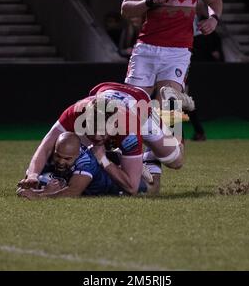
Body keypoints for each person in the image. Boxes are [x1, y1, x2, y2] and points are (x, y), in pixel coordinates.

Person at [19, 82, 184, 196]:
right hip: (106, 93)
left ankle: (175, 110)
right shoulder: (75, 113)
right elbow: (45, 146)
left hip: (142, 111)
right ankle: (141, 158)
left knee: (175, 161)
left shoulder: (129, 127)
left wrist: (103, 159)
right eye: (93, 132)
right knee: (67, 144)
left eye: (102, 134)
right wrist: (32, 174)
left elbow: (132, 188)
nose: (97, 138)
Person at [120, 0, 223, 109]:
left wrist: (213, 19)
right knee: (133, 106)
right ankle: (138, 129)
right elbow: (126, 9)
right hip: (146, 49)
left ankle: (159, 129)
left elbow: (215, 0)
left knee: (167, 107)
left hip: (178, 52)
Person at [17, 132, 158, 199]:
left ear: (77, 155)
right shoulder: (54, 155)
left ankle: (150, 155)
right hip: (100, 168)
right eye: (58, 156)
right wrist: (31, 182)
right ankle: (119, 157)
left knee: (152, 187)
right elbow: (32, 177)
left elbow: (73, 192)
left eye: (67, 158)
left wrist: (41, 194)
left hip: (119, 185)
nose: (61, 161)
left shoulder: (85, 162)